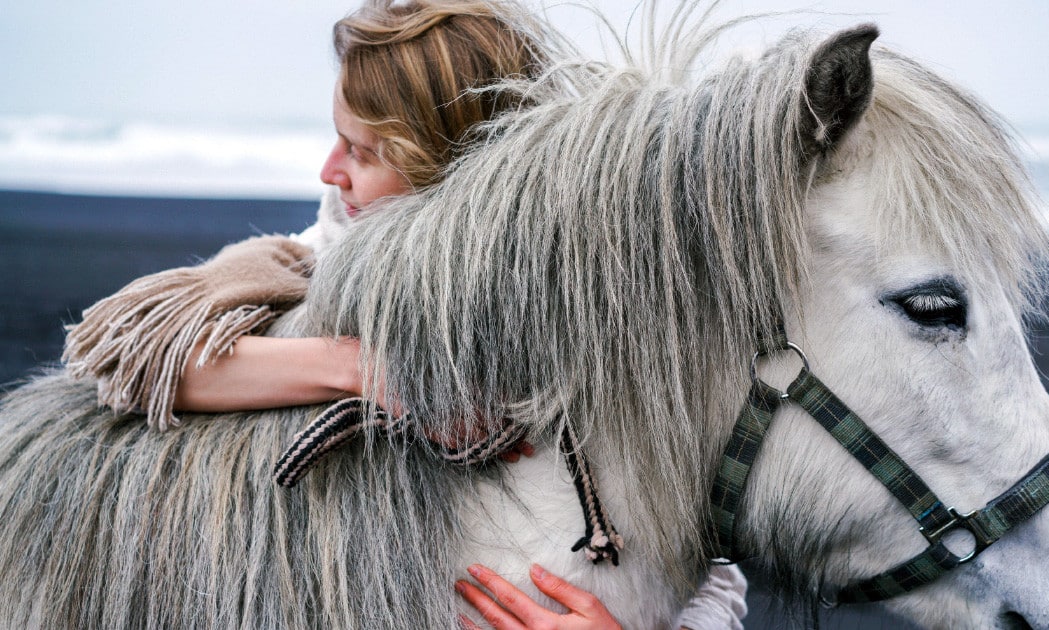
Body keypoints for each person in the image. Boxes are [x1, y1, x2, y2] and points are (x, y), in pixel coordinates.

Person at [60, 1, 748, 628]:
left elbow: (710, 561)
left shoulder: (596, 308)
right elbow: (154, 368)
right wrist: (365, 368)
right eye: (336, 138)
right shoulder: (315, 264)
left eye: (365, 151)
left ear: (450, 167)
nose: (331, 171)